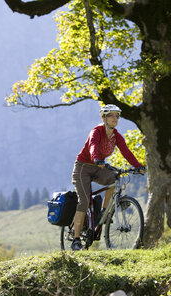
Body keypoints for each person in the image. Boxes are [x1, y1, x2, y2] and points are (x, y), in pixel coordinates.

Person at [71, 104, 145, 251]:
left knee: (113, 178)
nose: (115, 118)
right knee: (84, 201)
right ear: (103, 117)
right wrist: (97, 158)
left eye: (117, 116)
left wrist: (138, 166)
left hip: (99, 167)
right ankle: (76, 239)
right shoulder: (96, 131)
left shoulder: (116, 136)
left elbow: (126, 152)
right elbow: (92, 145)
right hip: (83, 167)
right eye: (111, 115)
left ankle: (104, 212)